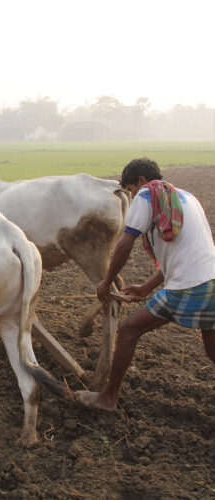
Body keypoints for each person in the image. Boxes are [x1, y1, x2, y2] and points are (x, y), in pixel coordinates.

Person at [76, 157, 215, 411]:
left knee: (129, 330)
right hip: (211, 280)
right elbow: (181, 254)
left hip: (189, 287)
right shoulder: (185, 197)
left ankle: (107, 397)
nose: (131, 195)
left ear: (140, 181)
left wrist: (106, 282)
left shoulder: (147, 195)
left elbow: (125, 243)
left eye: (129, 189)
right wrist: (146, 287)